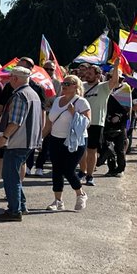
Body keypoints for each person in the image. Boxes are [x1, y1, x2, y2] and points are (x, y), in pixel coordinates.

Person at [0, 65, 42, 222]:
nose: (8, 80)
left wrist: (4, 137)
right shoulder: (33, 93)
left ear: (15, 78)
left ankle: (14, 210)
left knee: (10, 176)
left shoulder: (20, 95)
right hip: (29, 141)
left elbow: (15, 121)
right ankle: (21, 205)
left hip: (18, 141)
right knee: (13, 175)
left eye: (10, 77)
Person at [42, 74, 91, 212]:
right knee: (56, 170)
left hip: (75, 141)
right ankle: (58, 201)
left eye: (68, 83)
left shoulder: (81, 102)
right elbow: (50, 122)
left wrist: (74, 113)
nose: (64, 85)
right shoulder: (57, 100)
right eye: (63, 83)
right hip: (56, 139)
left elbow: (87, 123)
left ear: (76, 86)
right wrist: (40, 138)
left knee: (68, 169)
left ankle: (80, 194)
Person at [78, 62, 120, 184]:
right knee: (82, 149)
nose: (87, 75)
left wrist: (116, 67)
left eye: (90, 73)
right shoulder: (81, 86)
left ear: (98, 75)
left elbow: (115, 81)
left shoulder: (103, 87)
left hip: (96, 123)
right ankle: (82, 171)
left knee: (92, 150)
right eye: (86, 73)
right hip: (82, 122)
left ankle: (90, 176)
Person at [102, 73, 134, 177]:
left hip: (120, 123)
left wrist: (119, 116)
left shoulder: (125, 88)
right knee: (108, 146)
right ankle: (111, 168)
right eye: (110, 77)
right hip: (106, 121)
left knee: (120, 148)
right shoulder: (105, 88)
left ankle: (120, 169)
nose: (113, 79)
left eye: (115, 77)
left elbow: (128, 108)